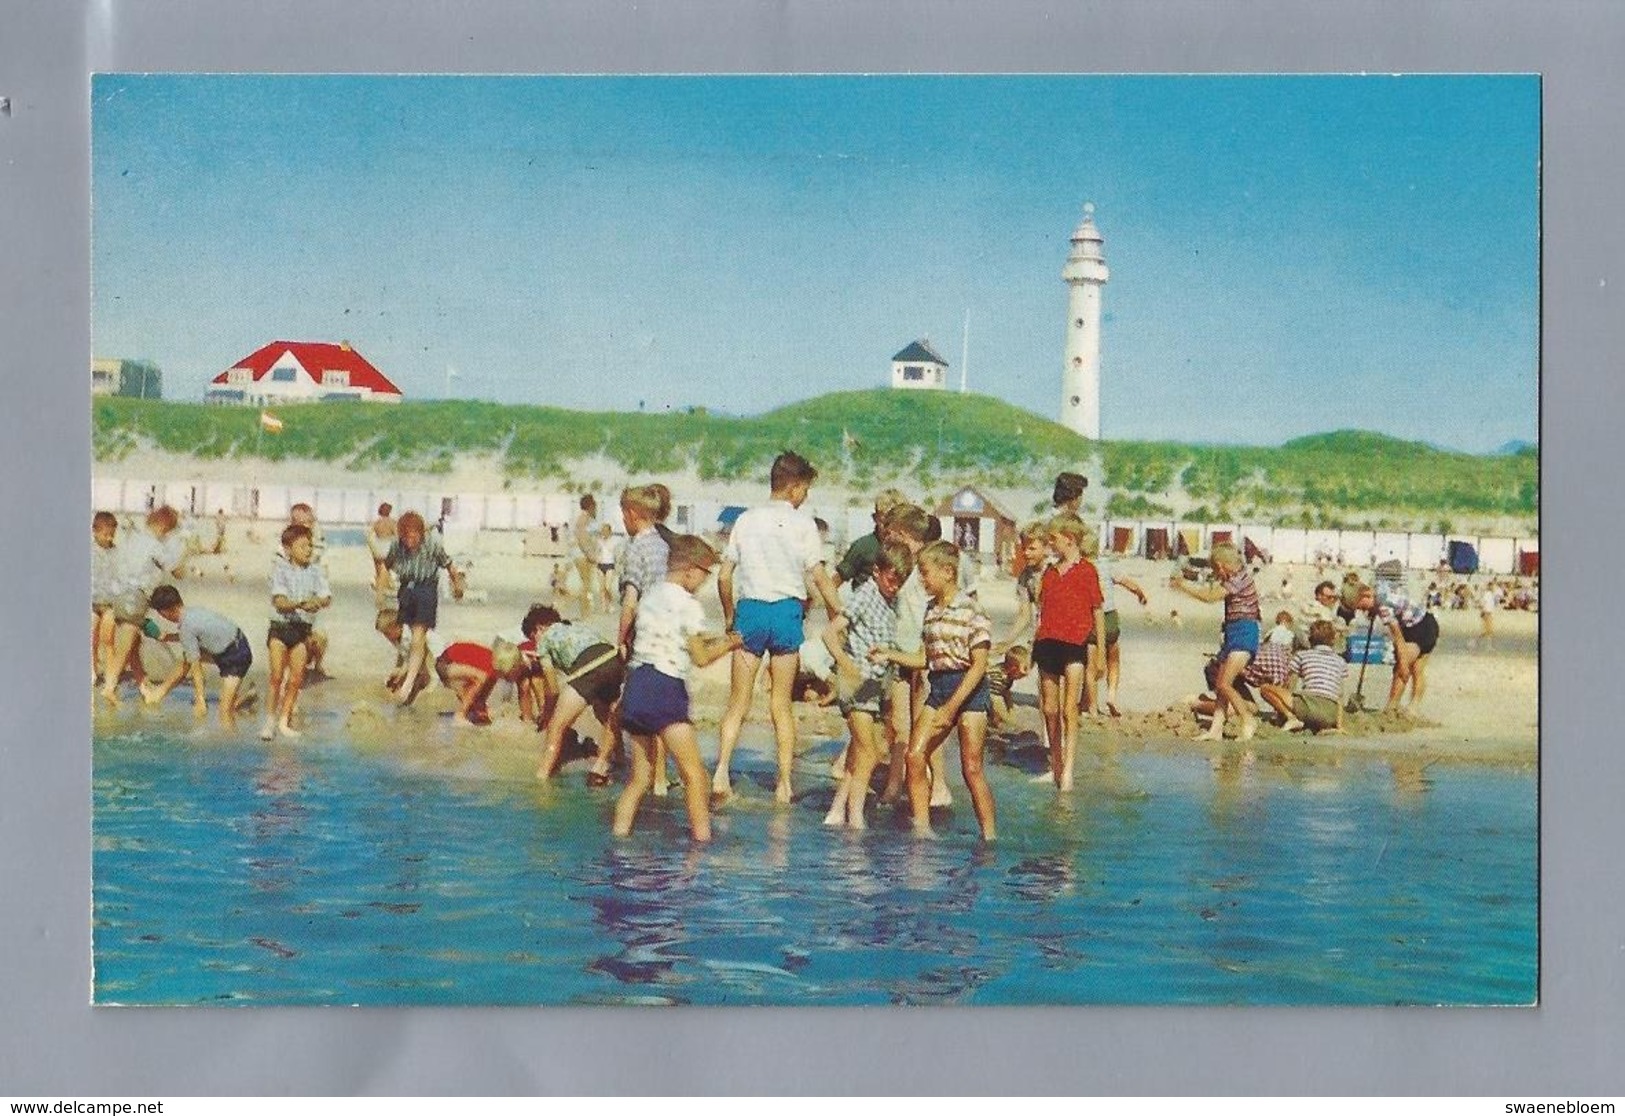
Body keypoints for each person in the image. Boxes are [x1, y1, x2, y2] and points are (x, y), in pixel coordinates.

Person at [712, 451, 842, 804]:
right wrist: (838, 612)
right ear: (795, 486)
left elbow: (724, 577)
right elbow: (818, 576)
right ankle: (784, 783)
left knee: (737, 701)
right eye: (806, 489)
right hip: (787, 611)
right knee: (780, 704)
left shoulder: (745, 520)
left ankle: (721, 771)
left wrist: (729, 617)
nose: (806, 497)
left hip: (751, 609)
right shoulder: (803, 524)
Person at [612, 535, 743, 842]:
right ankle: (702, 842)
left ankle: (619, 838)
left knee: (639, 779)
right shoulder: (689, 605)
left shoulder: (651, 596)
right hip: (664, 687)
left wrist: (715, 641)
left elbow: (674, 639)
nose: (704, 582)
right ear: (689, 570)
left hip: (636, 685)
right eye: (704, 574)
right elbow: (700, 658)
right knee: (695, 776)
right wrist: (730, 644)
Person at [872, 542, 998, 841]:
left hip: (969, 689)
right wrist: (889, 654)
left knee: (971, 767)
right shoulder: (931, 610)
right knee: (915, 757)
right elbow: (925, 659)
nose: (921, 580)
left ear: (948, 572)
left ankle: (989, 836)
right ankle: (923, 829)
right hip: (939, 684)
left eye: (926, 573)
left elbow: (979, 666)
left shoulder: (972, 611)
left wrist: (951, 708)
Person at [820, 540, 911, 829]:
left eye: (900, 582)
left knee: (861, 751)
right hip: (856, 685)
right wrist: (846, 665)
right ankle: (855, 818)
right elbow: (829, 633)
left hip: (874, 685)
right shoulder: (865, 595)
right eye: (891, 580)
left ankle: (836, 811)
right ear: (876, 571)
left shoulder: (889, 598)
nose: (895, 587)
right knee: (870, 752)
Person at [1033, 513, 1106, 790]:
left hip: (1075, 644)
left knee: (1069, 709)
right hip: (1048, 642)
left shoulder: (1087, 571)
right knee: (1050, 709)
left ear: (1070, 539)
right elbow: (1042, 612)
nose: (1051, 544)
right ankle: (1056, 762)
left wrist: (1097, 653)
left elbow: (1097, 612)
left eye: (1054, 539)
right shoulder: (1049, 573)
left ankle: (1068, 772)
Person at [524, 604, 626, 783]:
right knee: (605, 713)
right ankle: (616, 760)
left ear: (539, 628)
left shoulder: (545, 639)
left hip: (589, 666)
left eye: (533, 638)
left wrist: (548, 713)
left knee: (557, 726)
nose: (535, 643)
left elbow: (553, 689)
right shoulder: (576, 626)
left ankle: (542, 778)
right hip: (613, 660)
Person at [1170, 542, 1261, 741]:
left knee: (1224, 684)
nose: (1216, 575)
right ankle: (1216, 729)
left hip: (1245, 634)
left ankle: (1247, 719)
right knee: (1221, 685)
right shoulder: (1239, 575)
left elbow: (1210, 597)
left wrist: (1183, 586)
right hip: (1233, 632)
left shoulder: (1239, 579)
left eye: (1215, 570)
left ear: (1220, 566)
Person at [100, 505, 188, 704]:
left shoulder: (134, 539)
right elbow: (175, 569)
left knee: (133, 645)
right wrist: (184, 552)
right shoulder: (155, 545)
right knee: (124, 648)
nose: (167, 535)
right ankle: (109, 687)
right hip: (135, 599)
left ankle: (144, 687)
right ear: (164, 526)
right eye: (169, 531)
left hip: (120, 596)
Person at [139, 585, 254, 728]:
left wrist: (200, 699)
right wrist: (167, 637)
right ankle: (158, 694)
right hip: (233, 645)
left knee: (224, 712)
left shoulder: (186, 626)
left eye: (161, 614)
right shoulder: (192, 613)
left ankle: (231, 745)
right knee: (186, 658)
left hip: (236, 658)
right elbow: (194, 637)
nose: (162, 617)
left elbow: (196, 667)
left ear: (169, 611)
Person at [383, 511, 465, 706]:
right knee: (410, 636)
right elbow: (386, 565)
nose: (410, 541)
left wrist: (457, 587)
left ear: (421, 533)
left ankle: (409, 682)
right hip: (406, 589)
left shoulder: (432, 544)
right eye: (406, 537)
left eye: (413, 536)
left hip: (426, 588)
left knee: (419, 635)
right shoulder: (397, 545)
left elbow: (449, 565)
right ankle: (421, 676)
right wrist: (380, 589)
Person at [263, 522, 331, 739]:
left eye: (310, 545)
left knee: (295, 679)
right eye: (303, 546)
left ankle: (284, 721)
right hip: (280, 628)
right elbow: (279, 601)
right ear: (288, 549)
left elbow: (326, 597)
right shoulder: (280, 571)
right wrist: (301, 604)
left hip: (302, 631)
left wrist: (318, 602)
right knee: (276, 676)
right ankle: (269, 721)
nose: (308, 550)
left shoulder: (316, 571)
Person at [1343, 579, 1438, 715]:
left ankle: (1395, 707)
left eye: (1360, 606)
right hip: (1419, 621)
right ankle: (1407, 707)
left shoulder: (1384, 606)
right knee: (1415, 669)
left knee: (1404, 667)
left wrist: (1403, 663)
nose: (1361, 610)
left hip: (1422, 628)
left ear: (1365, 595)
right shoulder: (1378, 587)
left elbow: (1397, 636)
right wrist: (1372, 610)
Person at [1081, 525, 1147, 719]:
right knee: (1114, 660)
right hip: (1111, 618)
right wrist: (1140, 593)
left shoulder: (1081, 568)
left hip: (1091, 619)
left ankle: (1092, 708)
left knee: (1090, 668)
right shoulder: (1106, 565)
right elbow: (1127, 582)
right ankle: (1111, 696)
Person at [1260, 619, 1348, 734]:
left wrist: (1282, 713)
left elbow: (1290, 686)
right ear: (1332, 639)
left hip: (1307, 706)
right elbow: (1339, 695)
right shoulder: (1341, 661)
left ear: (1310, 638)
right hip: (1330, 713)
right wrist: (1339, 725)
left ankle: (1291, 718)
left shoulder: (1302, 656)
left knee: (1265, 688)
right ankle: (1326, 727)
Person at [435, 637, 528, 727]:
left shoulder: (495, 672)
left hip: (457, 667)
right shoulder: (489, 669)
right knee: (479, 678)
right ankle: (460, 715)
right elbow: (468, 689)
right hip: (445, 664)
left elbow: (481, 697)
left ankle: (465, 713)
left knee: (478, 701)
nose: (517, 677)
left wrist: (482, 712)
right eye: (517, 672)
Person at [834, 489, 909, 591]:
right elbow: (835, 581)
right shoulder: (863, 546)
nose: (889, 528)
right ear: (875, 518)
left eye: (894, 522)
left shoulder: (907, 548)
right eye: (885, 523)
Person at [287, 503, 330, 676]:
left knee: (319, 635)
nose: (306, 525)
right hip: (292, 600)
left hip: (311, 596)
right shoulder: (286, 544)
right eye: (301, 522)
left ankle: (315, 662)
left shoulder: (315, 543)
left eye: (308, 522)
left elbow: (320, 566)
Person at [375, 606, 446, 703]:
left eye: (387, 633)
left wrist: (403, 673)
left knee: (427, 682)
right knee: (406, 680)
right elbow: (405, 656)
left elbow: (418, 654)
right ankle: (408, 702)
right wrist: (399, 671)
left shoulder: (410, 635)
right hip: (421, 658)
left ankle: (418, 700)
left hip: (436, 655)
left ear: (397, 627)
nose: (386, 637)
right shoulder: (398, 637)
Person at [998, 523, 1049, 648]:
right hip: (1040, 635)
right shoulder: (1025, 576)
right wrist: (1007, 641)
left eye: (1032, 549)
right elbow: (1024, 615)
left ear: (1046, 548)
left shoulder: (1055, 571)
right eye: (1024, 548)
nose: (1026, 553)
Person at [91, 511, 121, 685]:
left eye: (112, 535)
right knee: (90, 639)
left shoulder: (117, 553)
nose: (109, 538)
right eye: (105, 534)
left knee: (108, 640)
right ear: (94, 531)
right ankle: (92, 672)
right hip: (91, 603)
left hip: (110, 604)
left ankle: (111, 675)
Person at [986, 644, 1032, 730]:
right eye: (1025, 668)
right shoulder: (997, 676)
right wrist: (1009, 720)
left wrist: (1012, 711)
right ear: (1013, 668)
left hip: (990, 695)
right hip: (979, 696)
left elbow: (1006, 694)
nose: (1027, 673)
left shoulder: (1008, 676)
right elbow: (995, 699)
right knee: (997, 712)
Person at [571, 495, 601, 617]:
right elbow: (582, 538)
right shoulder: (583, 519)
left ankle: (586, 610)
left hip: (584, 554)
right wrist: (591, 555)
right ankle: (585, 611)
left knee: (587, 583)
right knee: (586, 583)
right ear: (590, 506)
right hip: (583, 555)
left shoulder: (586, 518)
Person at [367, 503, 397, 602]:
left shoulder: (376, 523)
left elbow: (370, 536)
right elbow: (397, 536)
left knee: (379, 568)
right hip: (388, 547)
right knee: (388, 568)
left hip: (378, 547)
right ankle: (388, 586)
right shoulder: (393, 522)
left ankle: (380, 585)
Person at [594, 524, 620, 612]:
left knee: (607, 587)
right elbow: (596, 552)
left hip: (610, 565)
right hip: (600, 565)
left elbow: (616, 554)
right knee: (601, 587)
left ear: (610, 532)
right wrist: (596, 559)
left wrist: (617, 567)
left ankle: (611, 604)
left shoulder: (614, 541)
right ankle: (603, 605)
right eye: (603, 530)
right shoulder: (599, 541)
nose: (604, 532)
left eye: (606, 530)